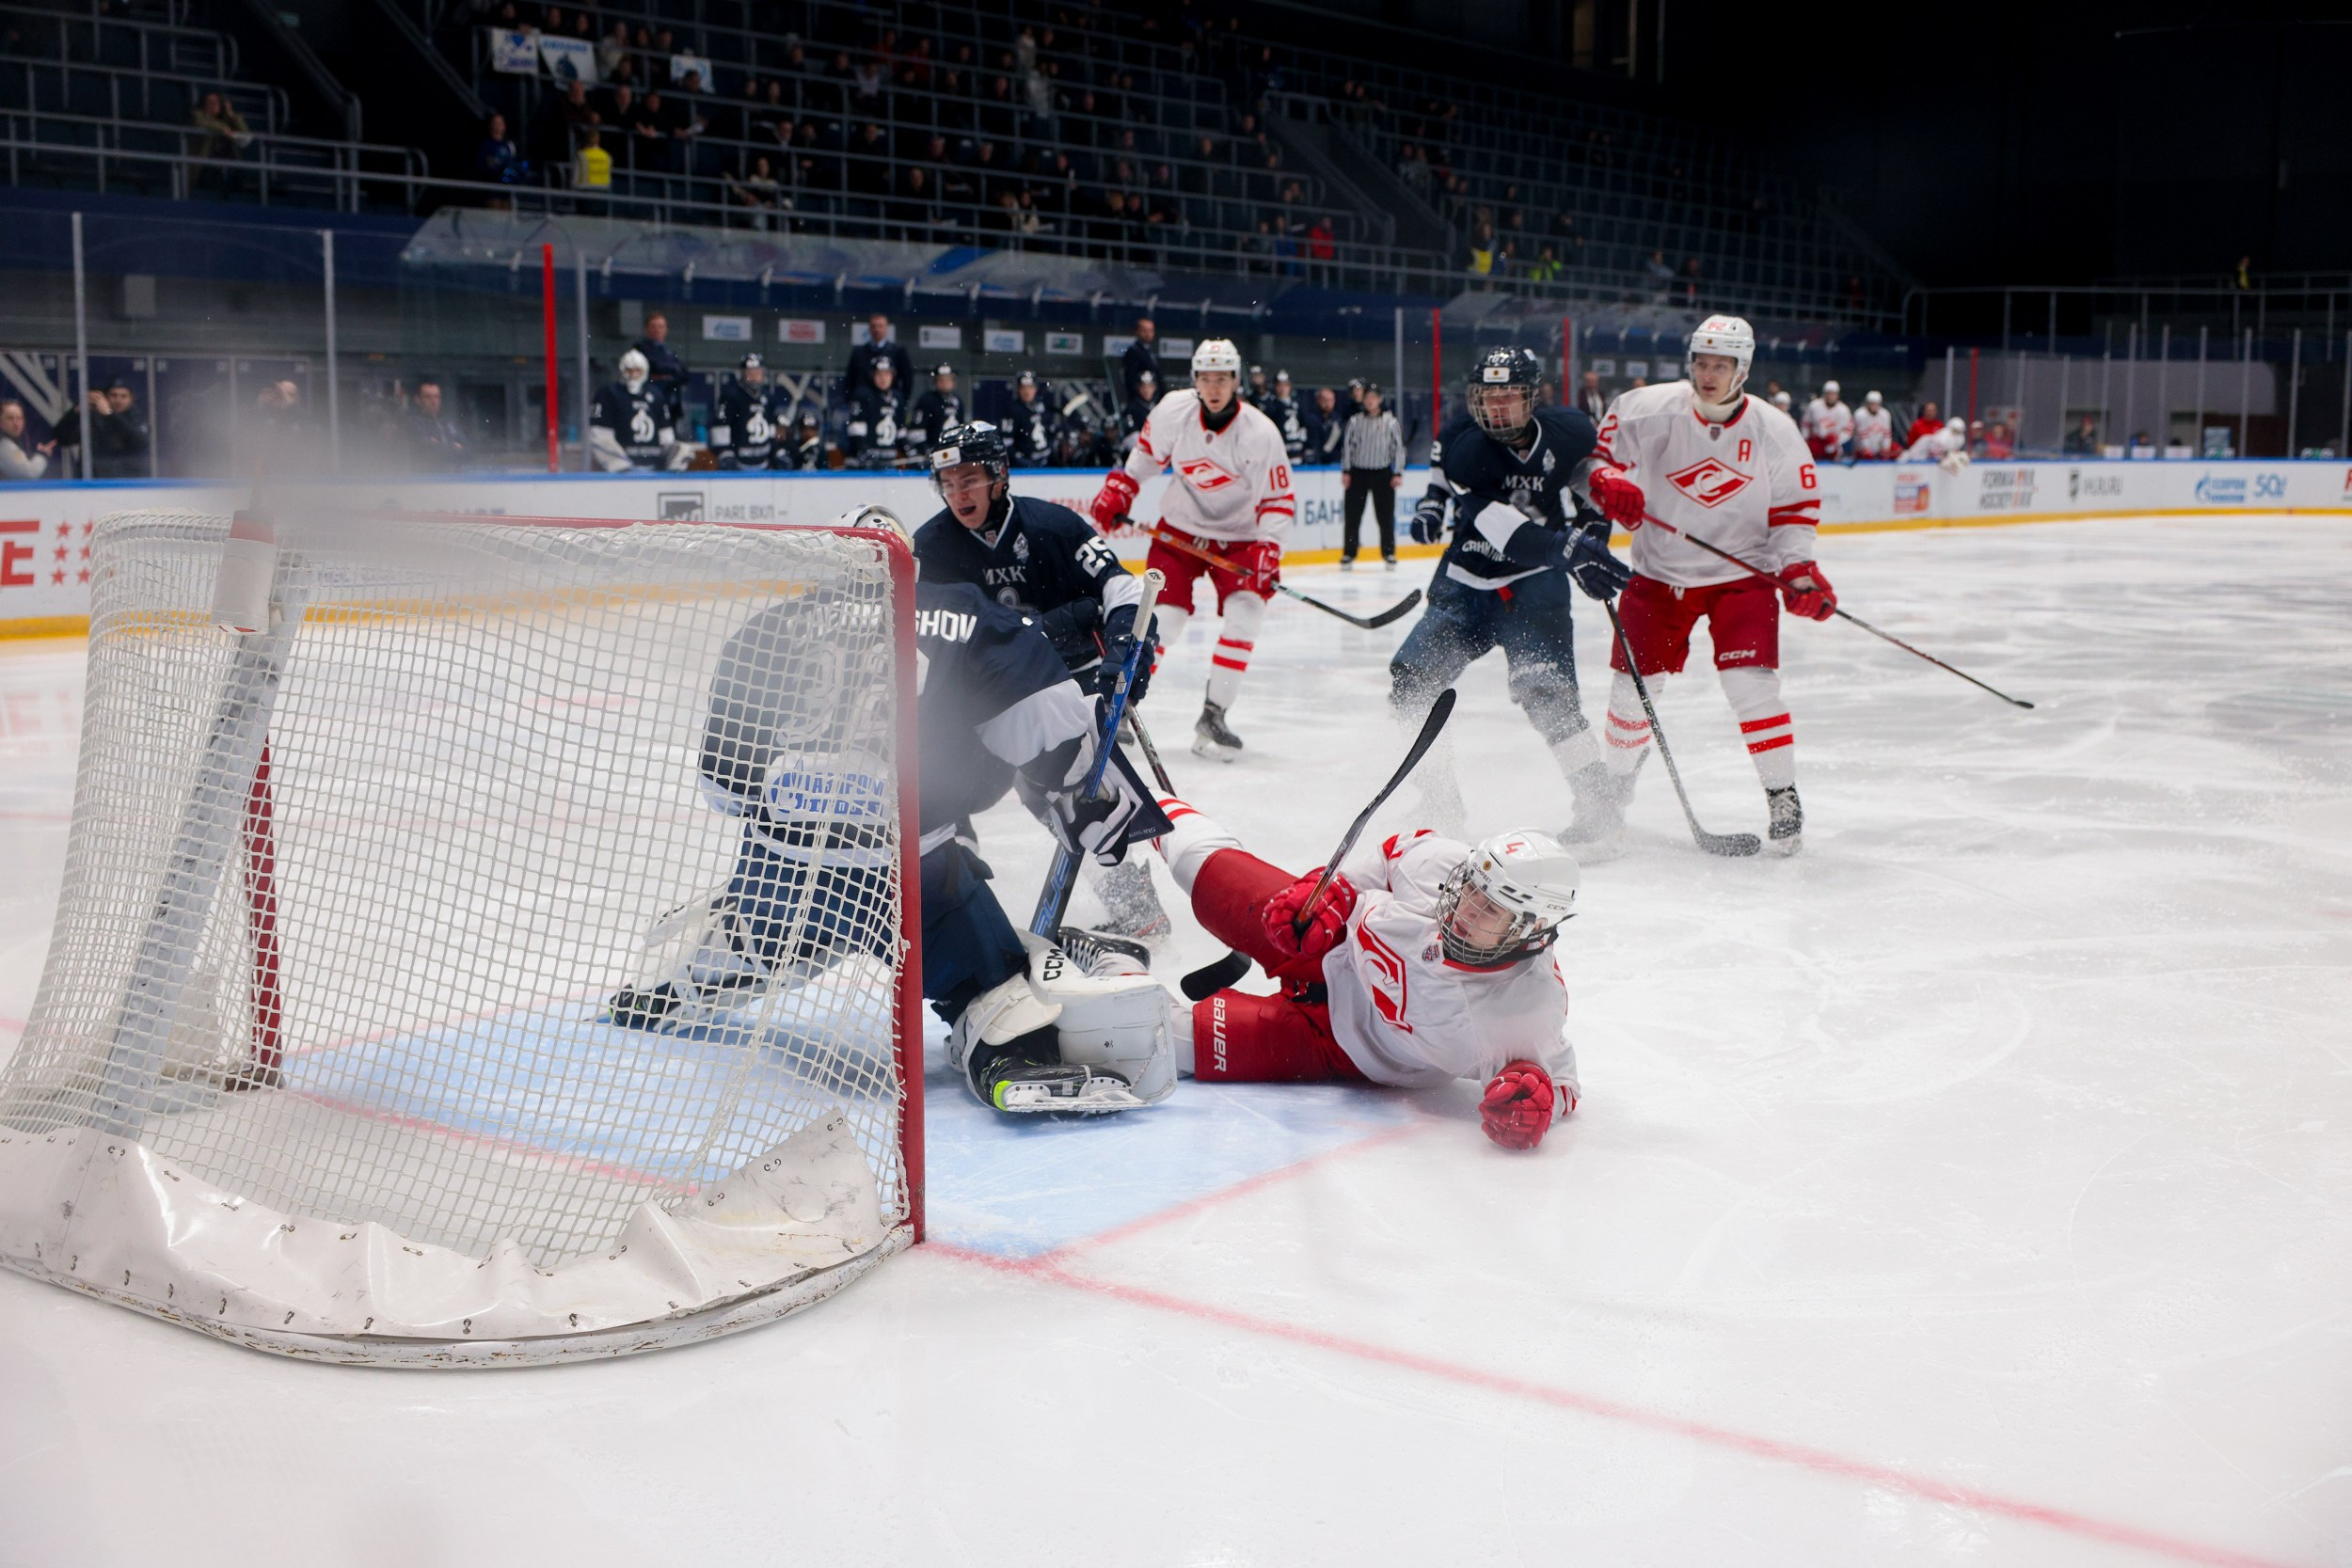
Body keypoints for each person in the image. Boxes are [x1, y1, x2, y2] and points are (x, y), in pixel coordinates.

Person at [605, 505, 1174, 1115]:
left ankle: (670, 991)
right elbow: (1048, 733)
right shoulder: (963, 613)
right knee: (994, 987)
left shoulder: (769, 628)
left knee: (760, 929)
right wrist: (1095, 807)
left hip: (777, 869)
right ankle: (1009, 1059)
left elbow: (722, 785)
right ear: (910, 562)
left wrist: (807, 799)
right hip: (910, 873)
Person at [1118, 800, 1581, 1150]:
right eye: (1472, 889)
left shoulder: (1526, 1012)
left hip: (1340, 1047)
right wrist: (1334, 893)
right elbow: (1390, 856)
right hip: (1324, 940)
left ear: (1531, 928)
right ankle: (1126, 796)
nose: (1466, 908)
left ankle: (1112, 959)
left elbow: (1562, 1085)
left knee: (1160, 1045)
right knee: (1203, 867)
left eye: (1491, 909)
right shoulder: (1442, 865)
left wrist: (1537, 1100)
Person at [1581, 314, 1827, 855]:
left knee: (1752, 686)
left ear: (1743, 370)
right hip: (1659, 573)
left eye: (1722, 365)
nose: (1709, 375)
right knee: (1632, 691)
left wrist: (1796, 569)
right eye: (1702, 363)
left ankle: (1782, 796)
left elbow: (1794, 510)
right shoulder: (1647, 408)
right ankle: (1614, 792)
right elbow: (1599, 461)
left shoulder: (1774, 429)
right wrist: (1608, 482)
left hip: (1742, 578)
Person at [915, 422, 1168, 939]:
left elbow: (1121, 590)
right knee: (938, 790)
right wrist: (1054, 625)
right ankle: (950, 912)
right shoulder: (931, 548)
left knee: (1081, 798)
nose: (959, 493)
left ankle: (1138, 909)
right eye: (949, 483)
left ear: (999, 475)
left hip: (1063, 689)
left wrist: (1127, 650)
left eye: (969, 479)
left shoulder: (1052, 526)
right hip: (982, 702)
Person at [1395, 346, 1628, 839]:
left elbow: (1591, 481)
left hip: (1535, 584)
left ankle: (1599, 807)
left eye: (1508, 396)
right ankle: (1439, 802)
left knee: (1548, 691)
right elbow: (1505, 531)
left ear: (1532, 397)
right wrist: (1568, 549)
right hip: (1468, 583)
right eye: (1488, 396)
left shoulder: (1570, 430)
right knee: (1412, 680)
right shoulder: (1466, 450)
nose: (1496, 407)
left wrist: (1593, 533)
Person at [1088, 339, 1295, 763]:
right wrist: (1122, 488)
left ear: (1236, 381)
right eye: (1206, 378)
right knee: (1165, 618)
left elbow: (1276, 500)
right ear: (1195, 380)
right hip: (1179, 532)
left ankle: (1214, 713)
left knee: (1246, 614)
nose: (1214, 387)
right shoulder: (1173, 411)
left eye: (1222, 378)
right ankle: (1121, 703)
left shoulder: (1259, 432)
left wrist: (1269, 550)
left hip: (1239, 538)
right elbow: (1145, 458)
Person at [1338, 382, 1405, 569]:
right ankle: (1349, 553)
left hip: (1382, 473)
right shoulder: (1355, 421)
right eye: (1367, 398)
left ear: (1380, 399)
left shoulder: (1390, 422)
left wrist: (1398, 472)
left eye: (1373, 398)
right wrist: (1346, 471)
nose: (1370, 401)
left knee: (1385, 517)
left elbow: (1398, 449)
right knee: (1353, 516)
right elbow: (1348, 448)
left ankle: (1389, 553)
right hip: (1358, 473)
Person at [589, 349, 687, 470]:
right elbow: (599, 435)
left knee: (683, 450)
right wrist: (619, 464)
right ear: (622, 370)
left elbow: (666, 435)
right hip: (620, 471)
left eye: (638, 371)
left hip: (653, 467)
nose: (634, 375)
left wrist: (672, 460)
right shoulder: (608, 394)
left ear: (645, 371)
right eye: (629, 371)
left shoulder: (656, 395)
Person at [50, 380, 151, 479]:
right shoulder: (95, 418)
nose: (118, 400)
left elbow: (140, 441)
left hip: (127, 480)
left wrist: (110, 414)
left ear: (131, 399)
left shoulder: (136, 417)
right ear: (105, 398)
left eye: (123, 396)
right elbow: (62, 438)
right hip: (93, 479)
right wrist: (76, 411)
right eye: (113, 395)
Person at [712, 353, 787, 469]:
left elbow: (771, 427)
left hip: (763, 464)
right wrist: (724, 452)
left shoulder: (768, 397)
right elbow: (721, 425)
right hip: (737, 463)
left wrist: (778, 452)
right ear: (742, 374)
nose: (754, 376)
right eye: (750, 372)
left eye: (757, 372)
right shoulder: (731, 397)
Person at [842, 358, 908, 466]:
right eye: (879, 374)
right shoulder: (863, 396)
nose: (883, 378)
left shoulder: (898, 398)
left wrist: (910, 451)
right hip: (861, 465)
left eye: (887, 374)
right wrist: (865, 452)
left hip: (888, 461)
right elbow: (855, 430)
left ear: (893, 375)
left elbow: (901, 431)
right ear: (872, 375)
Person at [630, 311, 690, 425]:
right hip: (649, 401)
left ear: (666, 330)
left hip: (670, 402)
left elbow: (684, 374)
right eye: (653, 327)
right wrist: (670, 371)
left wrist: (669, 374)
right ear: (646, 329)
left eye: (661, 327)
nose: (657, 330)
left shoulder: (670, 352)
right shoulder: (640, 349)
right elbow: (657, 366)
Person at [401, 378, 467, 470]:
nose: (433, 401)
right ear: (418, 399)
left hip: (453, 475)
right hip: (425, 475)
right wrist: (454, 447)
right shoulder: (412, 423)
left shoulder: (448, 422)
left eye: (436, 397)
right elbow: (427, 449)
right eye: (428, 397)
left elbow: (468, 448)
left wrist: (440, 445)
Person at [845, 312, 913, 398]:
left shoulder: (898, 351)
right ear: (869, 329)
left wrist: (902, 400)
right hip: (864, 399)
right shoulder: (858, 352)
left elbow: (907, 379)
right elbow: (850, 378)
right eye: (874, 326)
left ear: (886, 328)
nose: (877, 329)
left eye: (880, 326)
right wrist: (850, 399)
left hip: (889, 400)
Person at [1005, 371, 1058, 467]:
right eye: (1023, 388)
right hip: (1028, 462)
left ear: (1035, 388)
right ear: (1018, 389)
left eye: (1030, 387)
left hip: (1046, 460)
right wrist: (1021, 460)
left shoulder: (1040, 405)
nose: (1027, 392)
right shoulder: (1013, 410)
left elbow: (1047, 429)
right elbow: (1007, 441)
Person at [906, 364, 963, 454]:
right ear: (935, 381)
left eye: (948, 379)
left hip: (953, 452)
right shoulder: (927, 400)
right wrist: (926, 451)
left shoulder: (958, 401)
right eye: (941, 379)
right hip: (932, 452)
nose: (945, 382)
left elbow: (962, 428)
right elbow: (915, 431)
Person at [0, 399, 54, 480]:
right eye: (10, 418)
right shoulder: (4, 446)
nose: (16, 423)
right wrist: (42, 455)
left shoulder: (15, 442)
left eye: (19, 418)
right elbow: (28, 474)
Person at [1801, 379, 1852, 463]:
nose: (1830, 396)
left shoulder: (1844, 410)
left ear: (1837, 395)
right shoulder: (1814, 406)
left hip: (1833, 442)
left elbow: (1848, 431)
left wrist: (1837, 440)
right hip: (1817, 441)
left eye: (1833, 394)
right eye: (1828, 393)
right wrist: (1805, 440)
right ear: (1824, 394)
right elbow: (1805, 424)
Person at [1261, 369, 1305, 462]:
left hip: (1298, 452)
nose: (1282, 388)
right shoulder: (1270, 406)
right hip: (1281, 455)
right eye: (1279, 385)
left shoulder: (1297, 404)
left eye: (1286, 385)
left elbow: (1303, 426)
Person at [1301, 385, 1347, 465]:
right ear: (1318, 400)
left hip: (1335, 460)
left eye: (1331, 400)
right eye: (1325, 400)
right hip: (1317, 459)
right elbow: (1313, 444)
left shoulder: (1337, 418)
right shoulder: (1311, 418)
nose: (1328, 403)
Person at [1120, 315, 1160, 404]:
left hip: (1153, 399)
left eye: (1151, 331)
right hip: (1139, 401)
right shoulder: (1133, 352)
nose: (1148, 334)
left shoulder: (1150, 351)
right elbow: (1131, 379)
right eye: (1145, 331)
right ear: (1137, 331)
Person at [1119, 370, 1158, 455]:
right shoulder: (1131, 408)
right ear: (1138, 388)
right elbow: (1131, 437)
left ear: (1154, 388)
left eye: (1150, 386)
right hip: (1136, 454)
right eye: (1143, 387)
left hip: (1156, 453)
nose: (1146, 390)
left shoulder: (1159, 407)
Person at [1851, 389, 1898, 461]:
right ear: (1867, 404)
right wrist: (1866, 449)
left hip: (1879, 448)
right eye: (1872, 404)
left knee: (1897, 450)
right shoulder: (1860, 414)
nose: (1874, 406)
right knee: (1867, 456)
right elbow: (1862, 435)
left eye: (1876, 404)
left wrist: (1885, 448)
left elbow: (1887, 434)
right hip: (1862, 448)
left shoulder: (1885, 414)